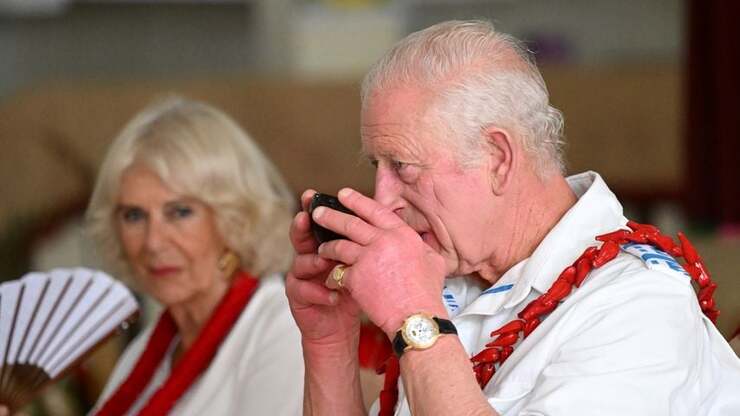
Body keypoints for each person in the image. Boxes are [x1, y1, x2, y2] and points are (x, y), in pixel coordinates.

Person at [285, 20, 740, 415]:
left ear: (499, 158)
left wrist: (415, 316)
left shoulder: (639, 303)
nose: (384, 201)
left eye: (403, 167)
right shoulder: (453, 275)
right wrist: (330, 341)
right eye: (376, 167)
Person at [86, 97, 303, 415]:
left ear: (234, 217)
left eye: (179, 212)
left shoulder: (282, 330)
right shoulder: (148, 349)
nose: (153, 242)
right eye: (134, 215)